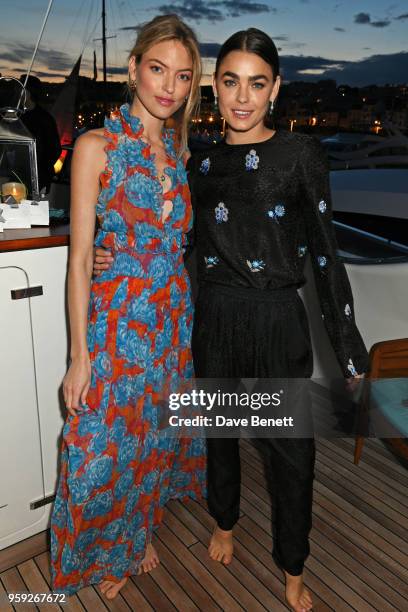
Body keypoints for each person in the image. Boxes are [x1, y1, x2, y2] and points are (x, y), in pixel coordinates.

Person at [94, 28, 368, 612]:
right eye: (229, 81)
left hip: (276, 323)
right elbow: (177, 237)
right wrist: (109, 248)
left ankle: (292, 566)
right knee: (218, 437)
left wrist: (350, 351)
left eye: (257, 83)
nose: (242, 97)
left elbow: (325, 256)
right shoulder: (201, 162)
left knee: (291, 453)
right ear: (214, 88)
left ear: (276, 89)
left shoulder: (302, 157)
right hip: (213, 317)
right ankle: (224, 522)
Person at [50, 14, 206, 599]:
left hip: (171, 319)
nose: (168, 86)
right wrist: (79, 355)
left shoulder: (179, 151)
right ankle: (104, 546)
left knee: (154, 437)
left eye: (183, 76)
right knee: (98, 445)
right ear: (134, 68)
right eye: (158, 69)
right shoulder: (96, 146)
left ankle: (138, 533)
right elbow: (80, 258)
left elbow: (174, 240)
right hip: (117, 321)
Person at [20, 75, 61, 191]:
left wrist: (39, 168)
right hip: (18, 175)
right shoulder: (18, 115)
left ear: (27, 93)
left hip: (38, 178)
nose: (17, 92)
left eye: (20, 89)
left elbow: (55, 149)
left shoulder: (45, 119)